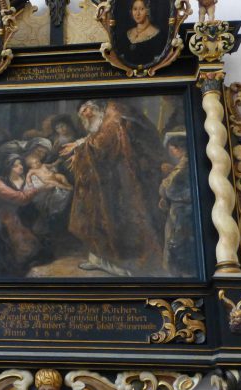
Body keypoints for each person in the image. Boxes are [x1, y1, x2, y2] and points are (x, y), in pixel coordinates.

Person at [60, 100, 166, 276]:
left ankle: (123, 265)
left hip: (121, 184)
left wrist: (79, 152)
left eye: (84, 111)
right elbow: (97, 138)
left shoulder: (113, 117)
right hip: (106, 183)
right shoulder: (108, 117)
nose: (83, 117)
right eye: (81, 115)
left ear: (92, 108)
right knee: (98, 219)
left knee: (117, 220)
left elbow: (101, 145)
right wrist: (81, 145)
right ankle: (100, 260)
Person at [0, 155, 54, 274]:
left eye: (20, 164)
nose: (20, 167)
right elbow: (20, 198)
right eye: (15, 165)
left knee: (33, 238)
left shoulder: (3, 180)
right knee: (22, 242)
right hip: (0, 216)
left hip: (11, 213)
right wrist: (39, 189)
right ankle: (19, 266)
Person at [158, 136, 195, 276]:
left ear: (179, 149)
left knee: (177, 243)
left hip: (181, 214)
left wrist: (165, 185)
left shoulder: (184, 166)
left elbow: (170, 189)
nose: (171, 153)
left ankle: (177, 275)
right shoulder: (184, 165)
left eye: (172, 150)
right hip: (180, 212)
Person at [120, 0, 168, 66]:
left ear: (148, 10)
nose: (137, 13)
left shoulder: (158, 35)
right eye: (135, 9)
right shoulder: (127, 33)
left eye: (141, 9)